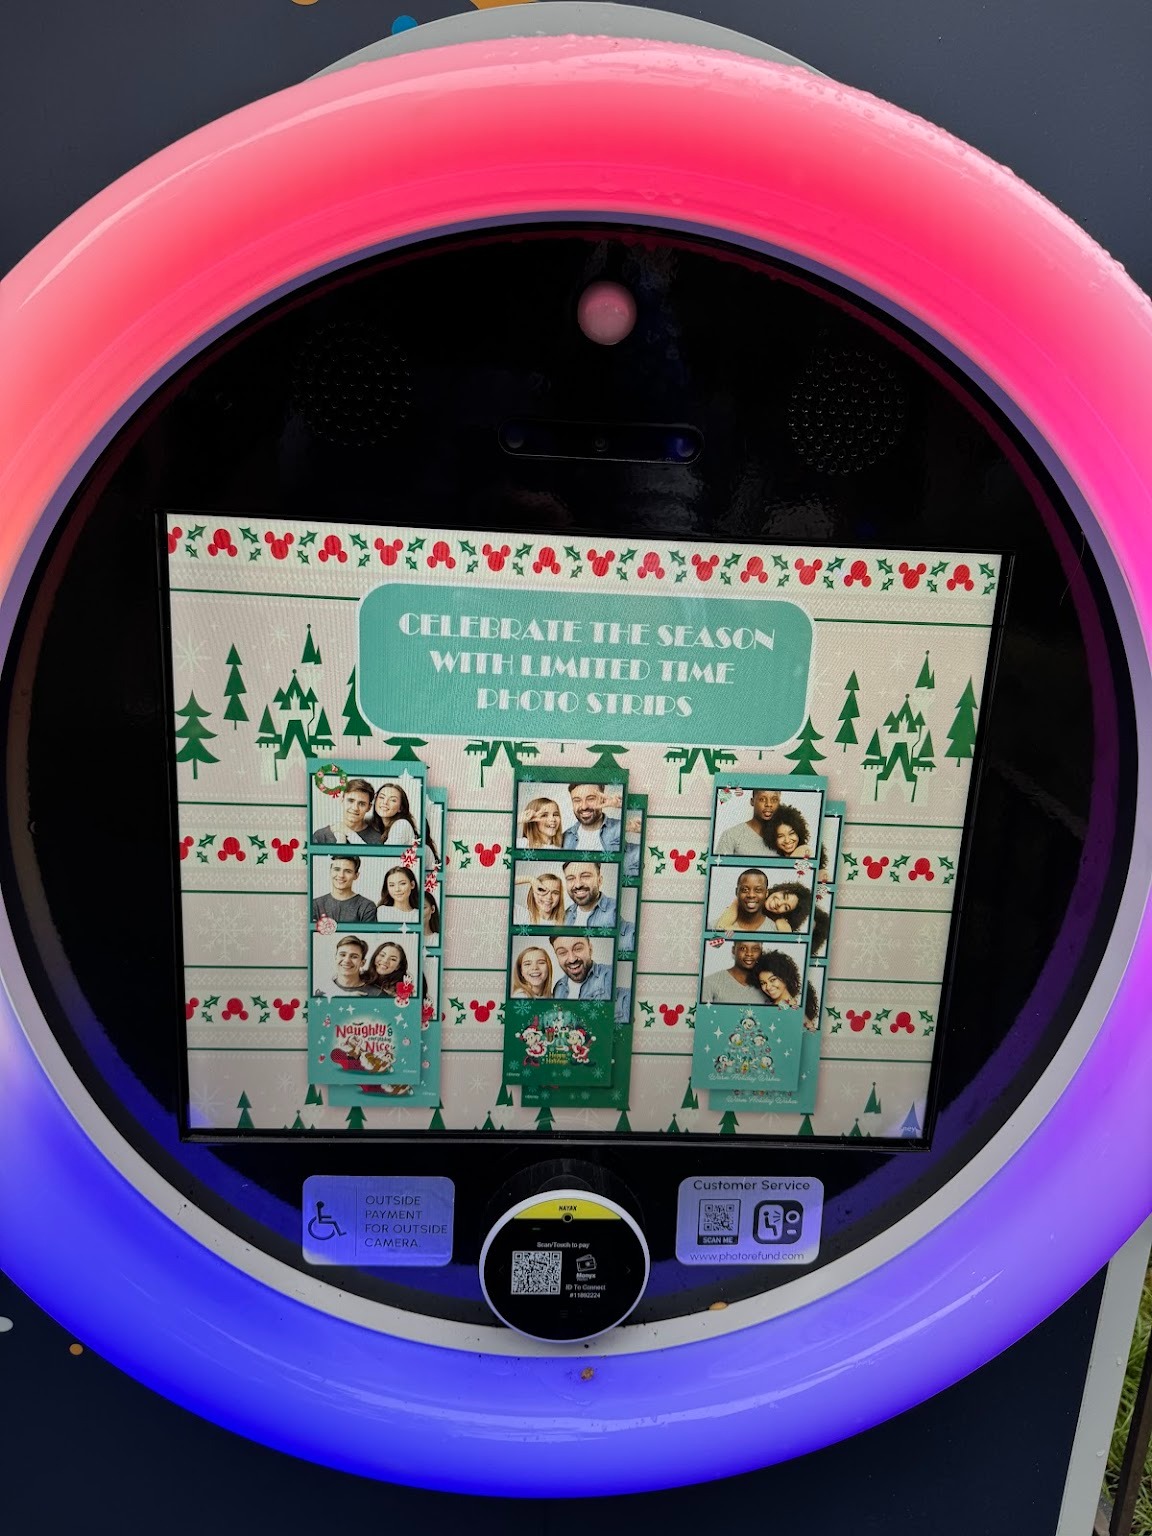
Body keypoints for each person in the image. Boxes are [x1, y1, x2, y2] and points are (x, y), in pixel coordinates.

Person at [561, 862, 636, 946]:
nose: (578, 885)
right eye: (570, 878)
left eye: (585, 876)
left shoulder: (615, 910)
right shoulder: (565, 916)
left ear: (599, 881)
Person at [712, 872, 812, 934]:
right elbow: (721, 928)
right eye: (784, 896)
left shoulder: (779, 922)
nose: (779, 904)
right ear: (779, 890)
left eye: (786, 907)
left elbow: (786, 941)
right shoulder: (745, 900)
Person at [311, 855, 379, 924]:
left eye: (348, 871)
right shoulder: (315, 905)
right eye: (337, 869)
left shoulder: (367, 907)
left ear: (356, 875)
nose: (341, 875)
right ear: (330, 871)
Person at [313, 778, 383, 845]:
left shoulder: (377, 839)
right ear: (342, 800)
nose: (355, 808)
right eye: (350, 801)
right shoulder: (321, 836)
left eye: (362, 804)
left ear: (369, 807)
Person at [715, 788, 781, 857]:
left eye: (774, 800)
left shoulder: (785, 838)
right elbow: (719, 863)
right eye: (762, 799)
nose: (769, 804)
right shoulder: (731, 835)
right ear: (752, 801)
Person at [561, 783, 621, 852]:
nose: (584, 807)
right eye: (577, 800)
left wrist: (624, 804)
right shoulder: (564, 838)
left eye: (590, 799)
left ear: (602, 799)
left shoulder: (621, 827)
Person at [550, 934, 613, 999]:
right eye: (562, 952)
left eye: (578, 949)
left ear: (590, 949)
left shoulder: (611, 975)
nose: (572, 959)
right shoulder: (558, 987)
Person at [700, 939, 764, 1005]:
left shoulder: (767, 985)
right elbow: (703, 1011)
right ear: (733, 950)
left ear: (761, 951)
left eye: (755, 949)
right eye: (743, 948)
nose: (749, 953)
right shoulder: (710, 982)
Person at [371, 782, 420, 846]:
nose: (385, 802)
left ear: (400, 808)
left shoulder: (401, 824)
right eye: (382, 797)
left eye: (393, 800)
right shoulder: (377, 824)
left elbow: (386, 852)